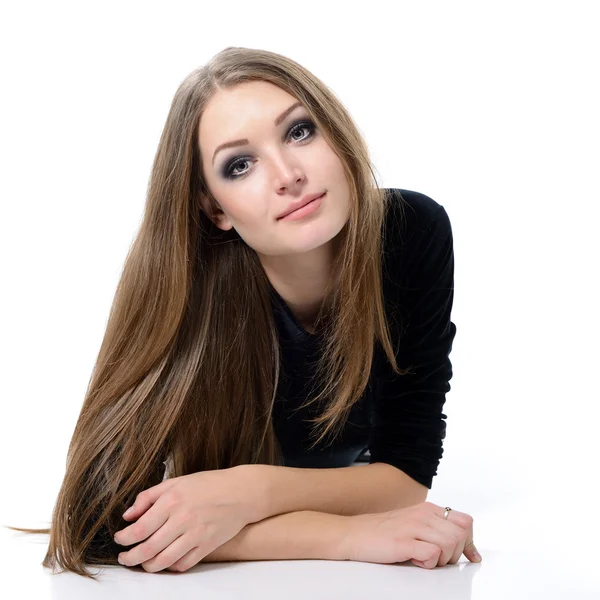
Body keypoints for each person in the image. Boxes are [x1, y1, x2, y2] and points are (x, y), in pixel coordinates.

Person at [6, 46, 479, 577]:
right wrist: (341, 535)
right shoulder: (186, 283)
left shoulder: (410, 232)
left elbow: (406, 476)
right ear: (215, 209)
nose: (287, 174)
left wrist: (246, 492)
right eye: (239, 165)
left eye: (300, 132)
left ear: (338, 134)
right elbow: (92, 518)